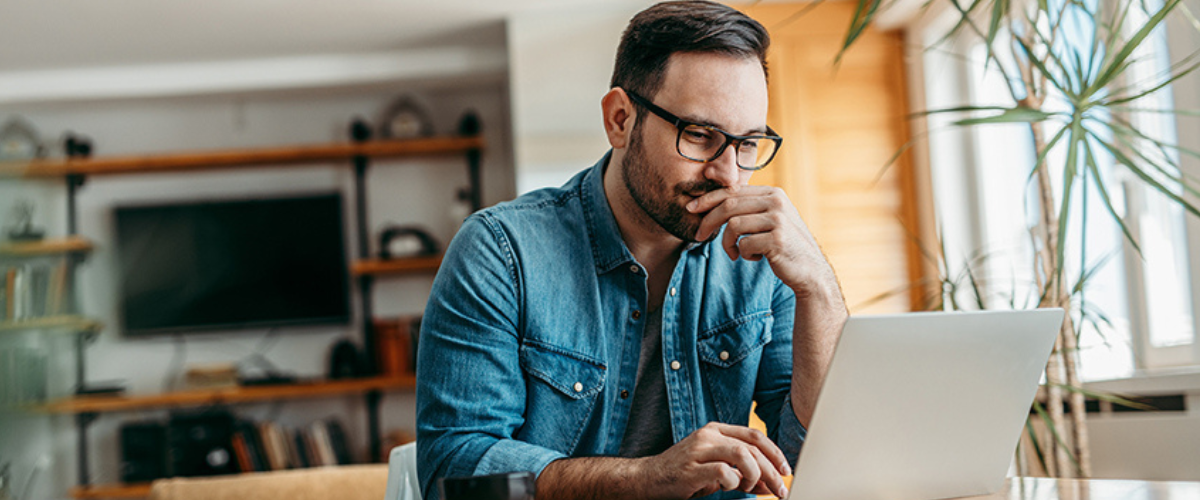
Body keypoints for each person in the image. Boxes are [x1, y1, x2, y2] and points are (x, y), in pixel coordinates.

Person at [416, 1, 847, 499]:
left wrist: (817, 283)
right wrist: (651, 478)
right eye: (700, 136)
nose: (728, 175)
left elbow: (819, 449)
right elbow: (456, 469)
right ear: (620, 119)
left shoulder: (762, 258)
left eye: (747, 144)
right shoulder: (500, 252)